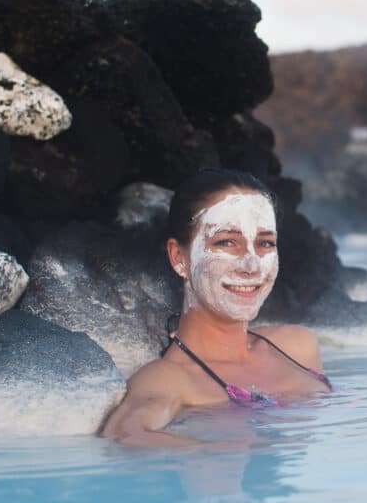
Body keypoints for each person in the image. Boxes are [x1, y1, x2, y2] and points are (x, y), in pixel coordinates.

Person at [101, 169, 331, 447]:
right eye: (226, 242)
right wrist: (213, 452)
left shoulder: (299, 346)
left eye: (265, 243)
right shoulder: (171, 378)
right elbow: (125, 433)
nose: (251, 265)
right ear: (179, 258)